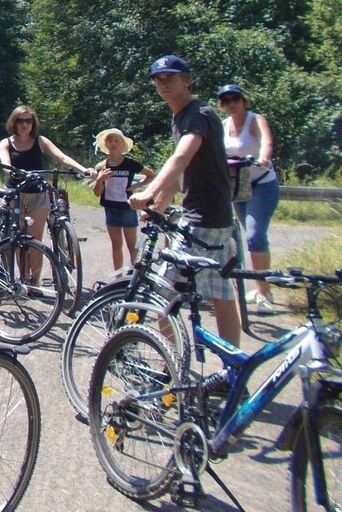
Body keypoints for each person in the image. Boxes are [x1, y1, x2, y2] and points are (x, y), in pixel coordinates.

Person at [130, 56, 241, 347]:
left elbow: (181, 157)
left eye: (170, 77)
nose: (163, 83)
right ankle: (234, 369)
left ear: (187, 81)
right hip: (216, 218)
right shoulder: (183, 115)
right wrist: (160, 207)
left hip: (202, 221)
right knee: (221, 293)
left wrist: (148, 192)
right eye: (158, 79)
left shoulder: (197, 114)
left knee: (161, 296)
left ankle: (171, 369)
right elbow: (182, 174)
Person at [0, 105, 95, 253]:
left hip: (38, 195)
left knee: (35, 242)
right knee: (16, 242)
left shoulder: (41, 141)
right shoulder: (6, 143)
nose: (24, 125)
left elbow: (62, 157)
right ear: (13, 122)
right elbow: (6, 165)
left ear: (33, 123)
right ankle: (21, 276)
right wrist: (12, 172)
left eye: (28, 121)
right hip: (15, 195)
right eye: (20, 121)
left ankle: (34, 277)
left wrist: (84, 169)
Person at [218, 83, 280, 315]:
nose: (231, 104)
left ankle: (264, 291)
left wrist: (263, 158)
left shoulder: (255, 119)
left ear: (244, 100)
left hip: (262, 183)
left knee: (255, 235)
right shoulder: (224, 125)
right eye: (226, 101)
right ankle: (258, 285)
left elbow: (266, 141)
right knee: (247, 237)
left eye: (235, 99)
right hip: (238, 186)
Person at [91, 128, 155, 270]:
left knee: (132, 245)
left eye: (116, 141)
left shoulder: (130, 164)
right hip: (110, 208)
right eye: (110, 140)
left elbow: (151, 175)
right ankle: (118, 277)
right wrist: (100, 179)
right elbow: (97, 193)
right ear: (105, 144)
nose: (113, 143)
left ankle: (135, 276)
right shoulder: (102, 166)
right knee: (116, 245)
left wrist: (136, 186)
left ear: (122, 144)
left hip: (127, 208)